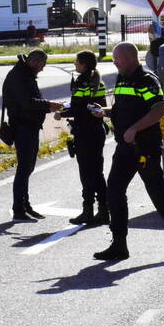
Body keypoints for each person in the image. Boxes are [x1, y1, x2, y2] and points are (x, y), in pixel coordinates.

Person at [91, 42, 164, 261]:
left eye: (117, 59)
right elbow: (121, 110)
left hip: (144, 147)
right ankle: (119, 244)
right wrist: (104, 112)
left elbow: (160, 109)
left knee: (157, 192)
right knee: (114, 191)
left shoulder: (146, 80)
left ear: (129, 58)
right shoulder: (122, 78)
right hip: (125, 147)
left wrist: (134, 129)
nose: (114, 62)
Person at [2, 49, 64, 221]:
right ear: (33, 61)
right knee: (24, 168)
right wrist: (48, 105)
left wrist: (46, 106)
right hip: (23, 126)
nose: (42, 68)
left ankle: (24, 205)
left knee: (27, 167)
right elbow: (25, 103)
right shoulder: (20, 76)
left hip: (29, 125)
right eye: (41, 64)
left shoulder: (24, 73)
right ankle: (18, 209)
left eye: (43, 65)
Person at [54, 50, 108, 226]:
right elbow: (98, 106)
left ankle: (88, 211)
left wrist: (61, 113)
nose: (75, 64)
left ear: (83, 64)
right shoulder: (98, 81)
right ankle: (104, 210)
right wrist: (70, 107)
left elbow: (78, 107)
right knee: (97, 172)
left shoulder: (81, 81)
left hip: (84, 132)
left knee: (86, 173)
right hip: (97, 130)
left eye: (76, 62)